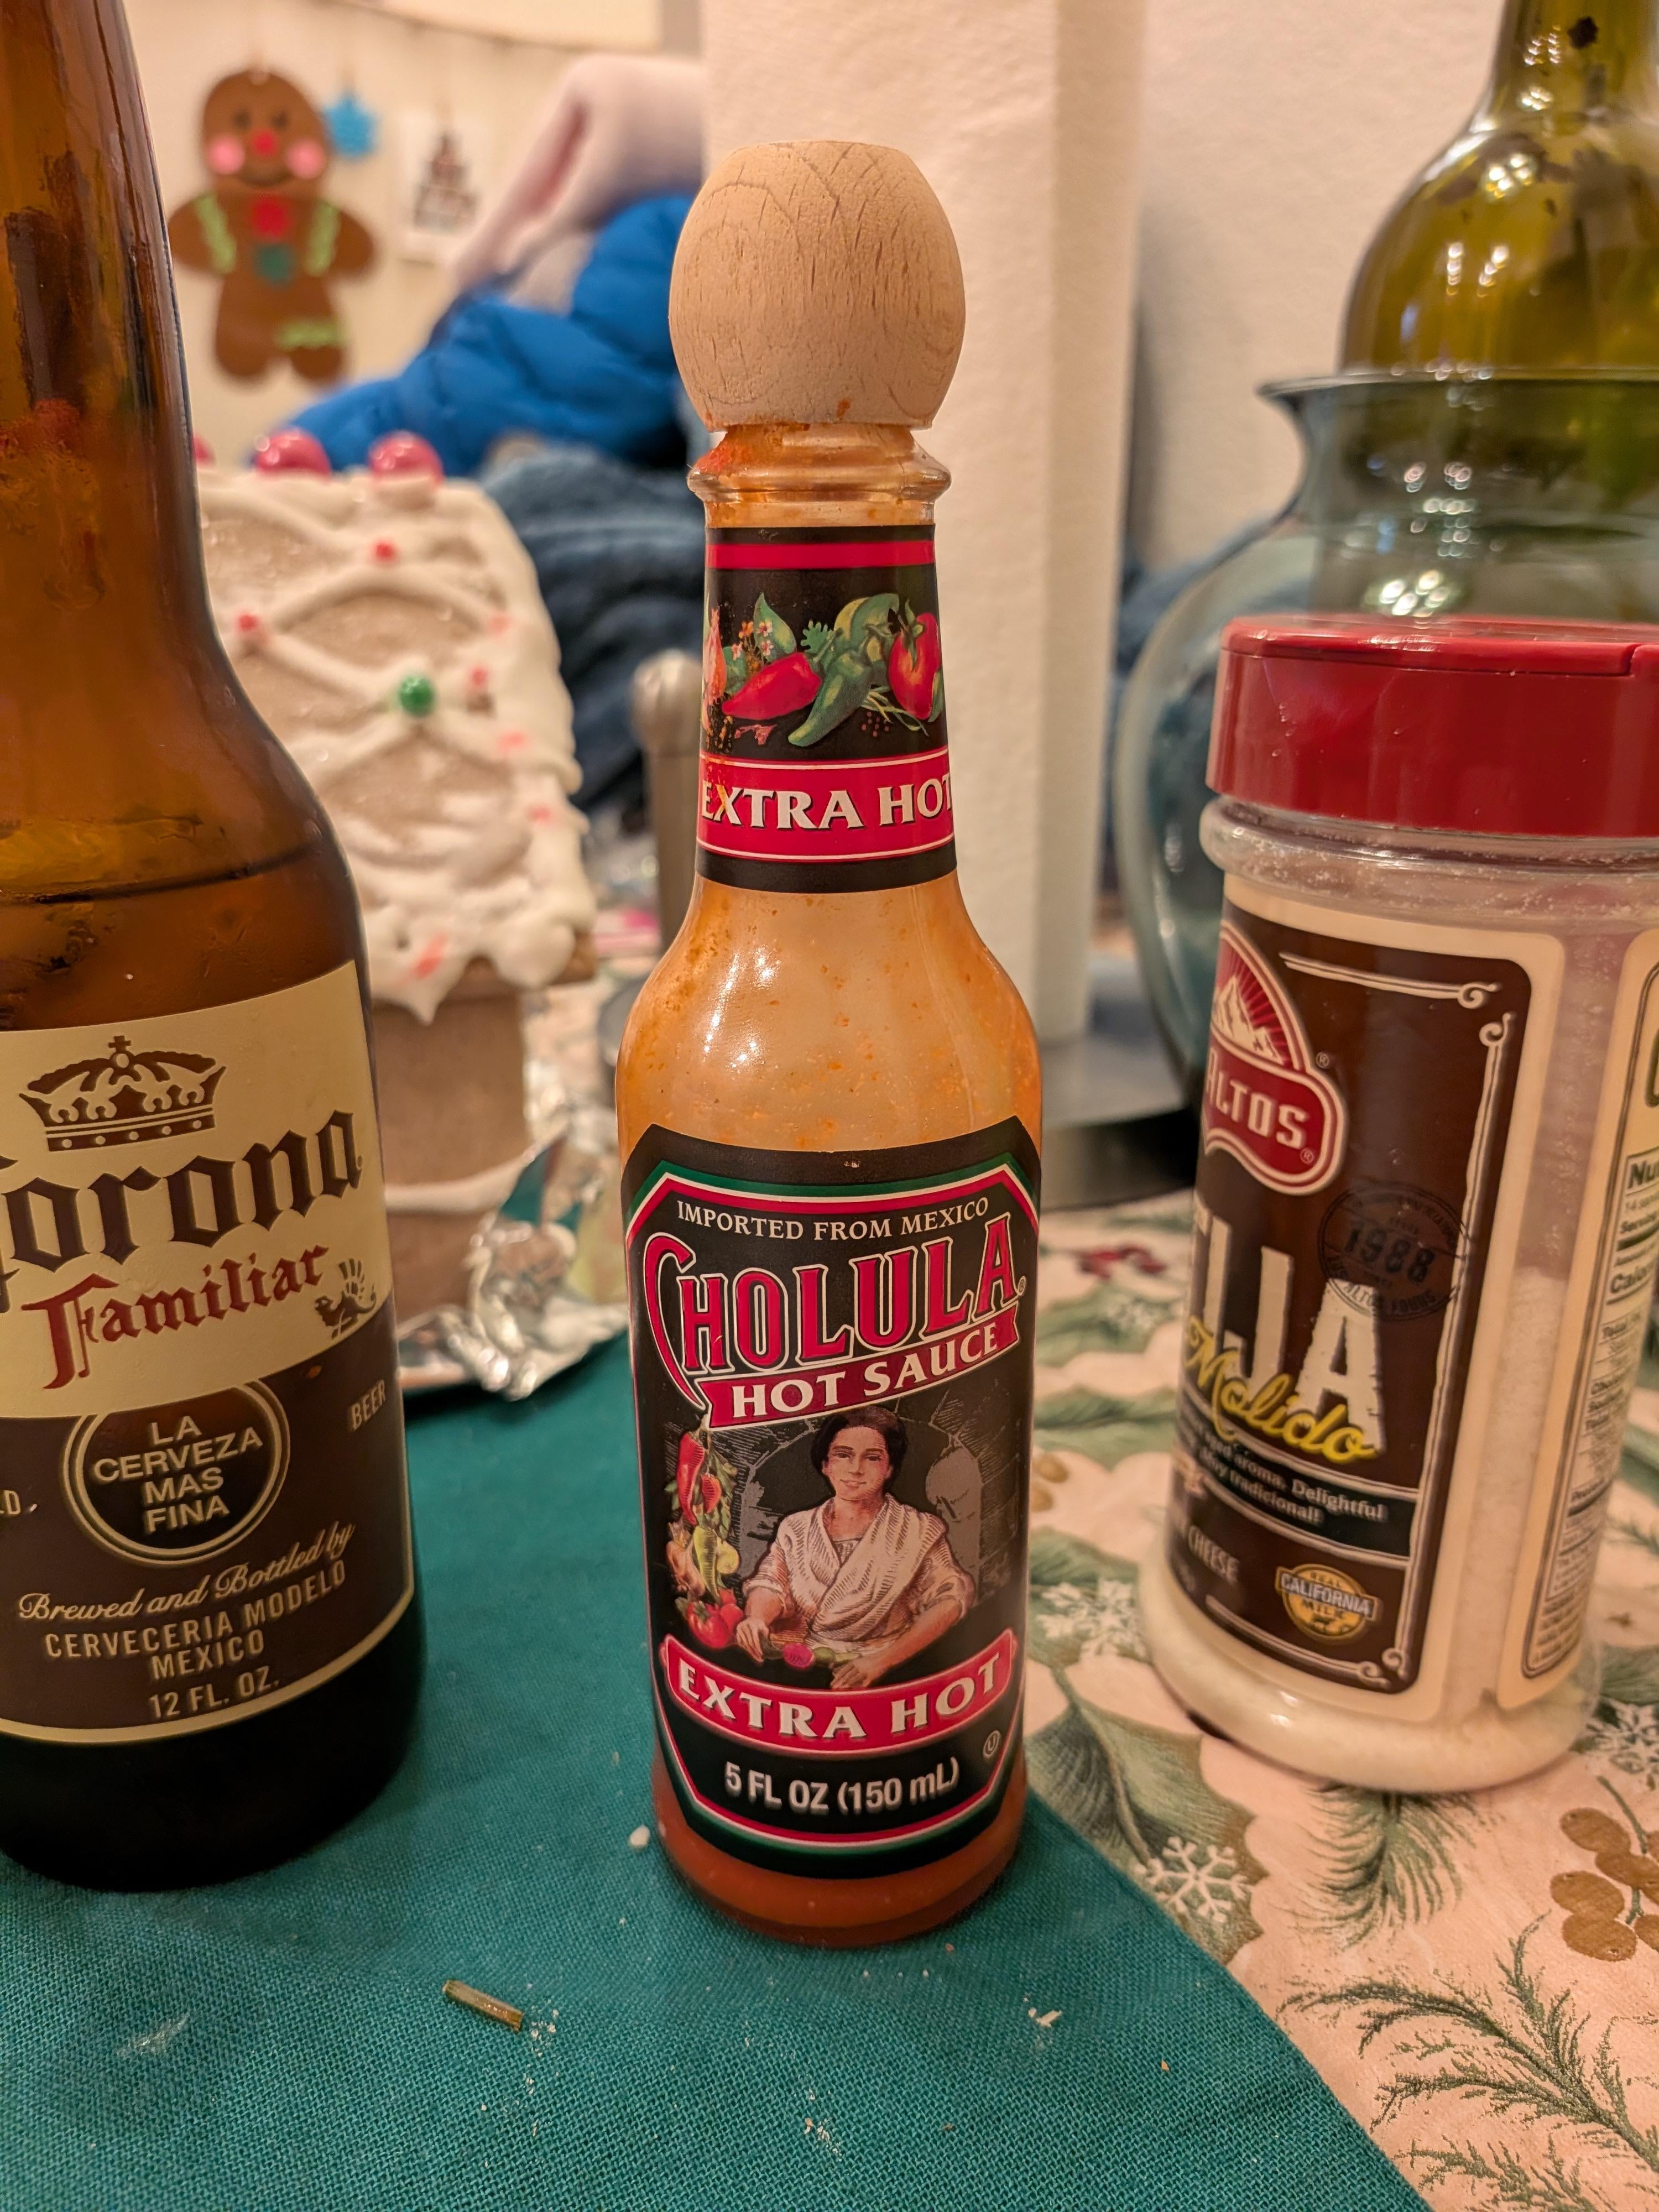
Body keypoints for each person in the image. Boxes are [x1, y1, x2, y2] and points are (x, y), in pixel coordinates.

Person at [734, 1408, 974, 1689]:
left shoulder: (917, 1530)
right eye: (843, 1455)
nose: (856, 1469)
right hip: (810, 1665)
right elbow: (772, 1582)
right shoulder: (796, 1527)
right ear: (826, 1464)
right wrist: (757, 1619)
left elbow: (950, 1599)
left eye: (872, 1458)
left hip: (893, 1670)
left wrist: (882, 1661)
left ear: (889, 1469)